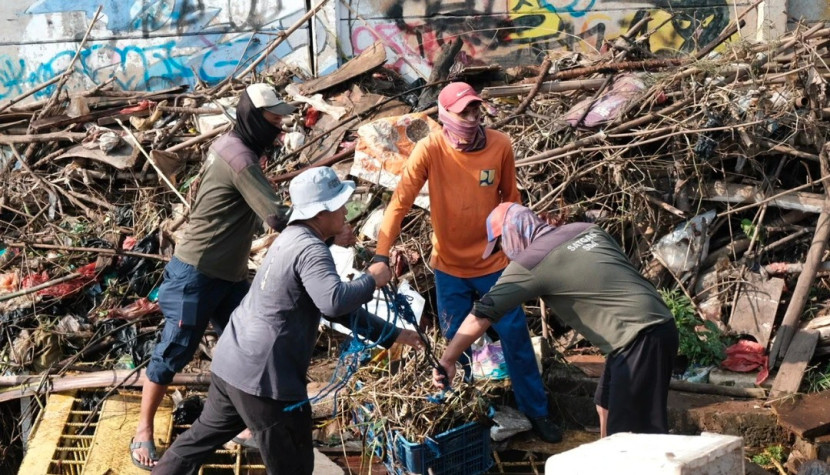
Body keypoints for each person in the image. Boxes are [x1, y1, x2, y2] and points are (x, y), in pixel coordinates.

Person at [152, 166, 422, 474]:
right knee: (292, 466)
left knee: (196, 442)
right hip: (264, 379)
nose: (347, 209)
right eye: (339, 204)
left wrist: (395, 334)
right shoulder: (311, 250)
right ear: (320, 214)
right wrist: (372, 279)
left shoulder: (293, 239)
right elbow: (333, 302)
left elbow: (337, 307)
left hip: (231, 363)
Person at [373, 81, 560, 442]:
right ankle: (461, 410)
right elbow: (400, 202)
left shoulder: (500, 145)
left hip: (495, 266)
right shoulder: (430, 149)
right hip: (449, 269)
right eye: (463, 113)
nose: (471, 119)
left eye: (475, 110)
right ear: (445, 117)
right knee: (454, 343)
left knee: (516, 339)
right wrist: (382, 254)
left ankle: (536, 413)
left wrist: (519, 253)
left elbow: (511, 200)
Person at [130, 83, 298, 470]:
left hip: (230, 273)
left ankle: (240, 424)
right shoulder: (241, 159)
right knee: (174, 349)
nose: (280, 125)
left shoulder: (229, 143)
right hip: (198, 271)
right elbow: (276, 218)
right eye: (274, 118)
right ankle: (142, 430)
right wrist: (323, 220)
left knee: (246, 346)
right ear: (254, 119)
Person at [433, 203, 679, 438]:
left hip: (638, 343)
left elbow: (483, 313)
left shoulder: (531, 262)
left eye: (501, 245)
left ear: (512, 233)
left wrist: (448, 360)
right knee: (605, 406)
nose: (505, 254)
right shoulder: (585, 229)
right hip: (654, 327)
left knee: (633, 442)